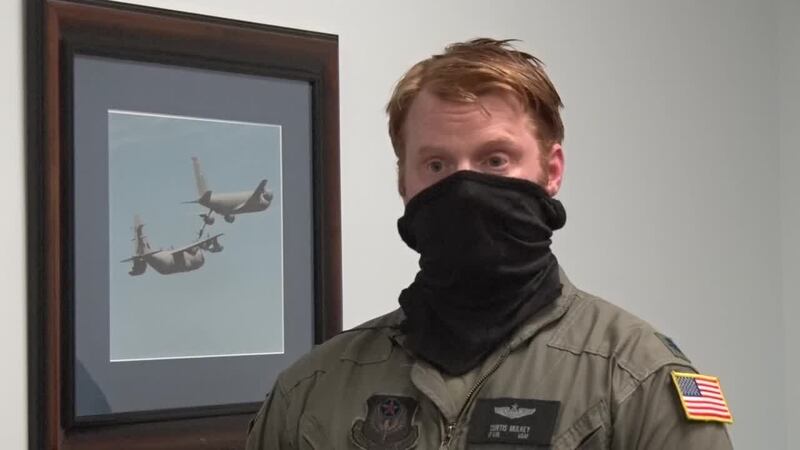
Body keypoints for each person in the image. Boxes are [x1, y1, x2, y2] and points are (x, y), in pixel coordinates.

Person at [246, 38, 733, 449]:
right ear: (403, 182)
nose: (464, 188)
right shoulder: (311, 392)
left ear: (552, 171)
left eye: (495, 160)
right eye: (436, 165)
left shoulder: (636, 380)